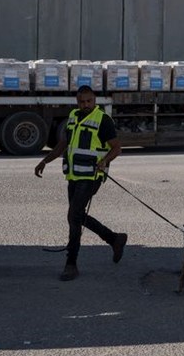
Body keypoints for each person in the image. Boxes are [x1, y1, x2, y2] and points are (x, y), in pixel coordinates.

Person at [35, 85, 127, 281]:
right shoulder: (73, 116)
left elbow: (117, 148)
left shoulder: (103, 120)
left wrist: (104, 161)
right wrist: (45, 160)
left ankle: (71, 264)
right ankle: (114, 238)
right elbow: (64, 143)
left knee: (74, 216)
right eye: (81, 101)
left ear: (94, 101)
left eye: (89, 101)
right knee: (76, 216)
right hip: (74, 175)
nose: (85, 105)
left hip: (91, 176)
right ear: (77, 102)